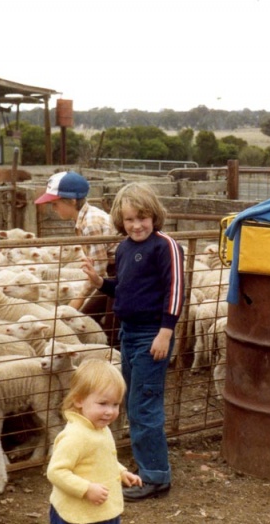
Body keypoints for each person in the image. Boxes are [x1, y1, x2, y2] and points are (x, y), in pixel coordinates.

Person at [81, 182, 185, 501]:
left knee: (144, 405)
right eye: (129, 220)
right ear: (120, 221)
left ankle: (156, 476)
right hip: (128, 333)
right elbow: (125, 289)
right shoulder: (125, 248)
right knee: (132, 400)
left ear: (154, 215)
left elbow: (176, 289)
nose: (136, 225)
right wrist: (101, 283)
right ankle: (144, 464)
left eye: (142, 217)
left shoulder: (165, 245)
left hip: (152, 335)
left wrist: (166, 332)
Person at [47, 359, 142, 524]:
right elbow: (56, 471)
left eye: (115, 404)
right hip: (86, 519)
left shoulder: (98, 428)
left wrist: (121, 471)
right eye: (103, 404)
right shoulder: (76, 436)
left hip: (99, 513)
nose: (110, 411)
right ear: (79, 400)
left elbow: (101, 458)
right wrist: (86, 489)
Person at [35, 171, 118, 317]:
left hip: (122, 275)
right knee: (89, 316)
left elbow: (98, 270)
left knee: (112, 326)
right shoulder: (84, 219)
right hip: (111, 276)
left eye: (55, 203)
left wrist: (77, 301)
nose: (53, 209)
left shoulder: (91, 223)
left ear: (72, 200)